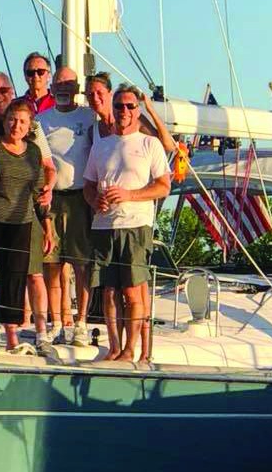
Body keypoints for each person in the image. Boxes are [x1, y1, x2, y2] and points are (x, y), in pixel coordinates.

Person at [83, 76, 171, 362]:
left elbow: (163, 186)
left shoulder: (149, 144)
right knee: (109, 293)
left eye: (130, 106)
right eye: (119, 106)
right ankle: (115, 347)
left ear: (137, 110)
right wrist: (94, 200)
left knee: (132, 292)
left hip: (135, 225)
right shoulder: (101, 145)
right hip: (104, 225)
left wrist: (130, 195)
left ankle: (131, 348)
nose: (124, 111)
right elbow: (88, 184)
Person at [0, 72, 57, 329]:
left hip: (21, 218)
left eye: (21, 121)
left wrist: (47, 223)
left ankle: (13, 333)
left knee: (18, 275)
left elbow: (40, 184)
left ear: (28, 124)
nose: (16, 125)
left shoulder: (33, 149)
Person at [37, 67, 96, 346]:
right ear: (51, 86)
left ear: (77, 87)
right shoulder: (41, 120)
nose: (63, 88)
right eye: (58, 83)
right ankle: (58, 322)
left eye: (69, 83)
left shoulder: (88, 116)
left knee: (81, 264)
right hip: (53, 197)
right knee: (53, 263)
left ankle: (81, 322)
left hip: (82, 198)